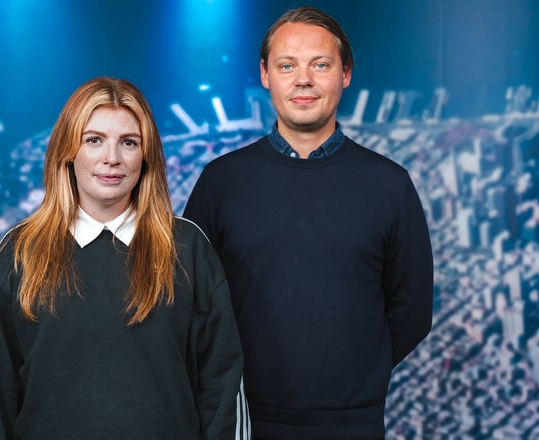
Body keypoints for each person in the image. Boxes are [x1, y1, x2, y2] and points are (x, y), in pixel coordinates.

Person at [183, 6, 434, 440]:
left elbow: (412, 309)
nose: (303, 80)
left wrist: (357, 373)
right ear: (265, 75)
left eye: (320, 64)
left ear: (345, 73)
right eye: (287, 66)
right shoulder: (220, 182)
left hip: (353, 424)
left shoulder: (390, 184)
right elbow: (191, 301)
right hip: (241, 421)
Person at [0, 77, 250, 439]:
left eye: (128, 142)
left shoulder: (188, 248)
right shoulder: (18, 252)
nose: (112, 158)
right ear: (68, 150)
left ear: (146, 156)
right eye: (94, 140)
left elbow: (223, 390)